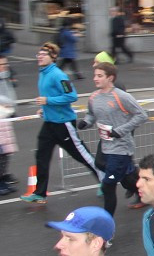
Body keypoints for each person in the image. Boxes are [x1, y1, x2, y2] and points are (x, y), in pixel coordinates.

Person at [22, 43, 105, 203]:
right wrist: (44, 109)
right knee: (41, 156)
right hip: (49, 123)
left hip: (63, 124)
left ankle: (104, 181)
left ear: (53, 57)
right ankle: (40, 193)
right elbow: (50, 98)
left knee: (81, 154)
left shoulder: (58, 75)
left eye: (43, 54)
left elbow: (71, 96)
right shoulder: (43, 73)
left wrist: (48, 101)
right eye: (38, 54)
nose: (39, 56)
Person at [80, 62, 149, 216]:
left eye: (99, 76)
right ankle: (132, 180)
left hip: (121, 147)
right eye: (95, 75)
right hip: (105, 144)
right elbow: (91, 113)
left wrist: (120, 131)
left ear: (110, 78)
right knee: (102, 165)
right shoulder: (94, 97)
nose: (95, 79)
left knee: (107, 186)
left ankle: (106, 224)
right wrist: (86, 122)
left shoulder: (122, 96)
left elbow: (142, 115)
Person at [0, 56, 17, 195]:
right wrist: (7, 102)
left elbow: (10, 94)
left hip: (4, 118)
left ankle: (4, 176)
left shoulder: (4, 77)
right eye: (1, 64)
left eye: (5, 63)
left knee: (6, 150)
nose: (4, 66)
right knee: (1, 151)